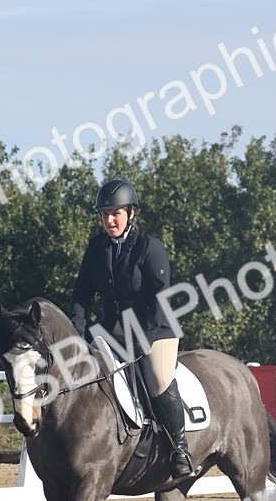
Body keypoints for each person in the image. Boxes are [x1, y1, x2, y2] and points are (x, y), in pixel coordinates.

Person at [69, 178, 195, 479]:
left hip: (156, 329)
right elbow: (81, 295)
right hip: (112, 330)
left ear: (131, 213)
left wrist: (142, 342)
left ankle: (180, 448)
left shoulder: (150, 247)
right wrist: (76, 334)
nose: (109, 220)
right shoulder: (96, 247)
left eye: (116, 213)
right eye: (104, 214)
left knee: (158, 377)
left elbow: (160, 300)